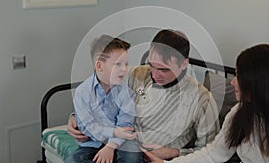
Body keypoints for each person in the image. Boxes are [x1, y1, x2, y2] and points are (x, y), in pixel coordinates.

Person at [68, 29, 220, 161]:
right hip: (116, 144)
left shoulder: (202, 100)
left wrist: (173, 153)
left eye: (164, 70)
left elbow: (212, 153)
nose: (154, 74)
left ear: (184, 64)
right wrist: (75, 118)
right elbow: (101, 93)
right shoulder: (137, 75)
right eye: (152, 65)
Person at [142, 44, 269, 163]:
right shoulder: (241, 111)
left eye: (238, 76)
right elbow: (215, 153)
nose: (233, 82)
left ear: (258, 84)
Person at [65, 35, 142, 163]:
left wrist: (110, 146)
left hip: (122, 142)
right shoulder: (82, 92)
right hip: (92, 143)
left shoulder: (126, 93)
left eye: (126, 64)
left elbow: (125, 125)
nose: (124, 69)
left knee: (133, 158)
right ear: (99, 66)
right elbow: (86, 126)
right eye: (118, 64)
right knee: (72, 161)